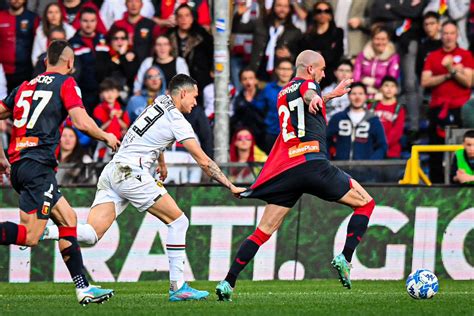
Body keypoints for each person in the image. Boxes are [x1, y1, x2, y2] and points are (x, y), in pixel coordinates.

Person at [43, 74, 246, 301]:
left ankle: (43, 231)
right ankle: (178, 287)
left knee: (90, 235)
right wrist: (230, 185)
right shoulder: (177, 120)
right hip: (131, 173)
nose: (196, 103)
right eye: (194, 97)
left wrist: (161, 162)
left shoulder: (159, 102)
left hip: (113, 170)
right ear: (183, 94)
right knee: (179, 221)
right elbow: (203, 161)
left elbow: (151, 134)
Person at [215, 51, 374, 301]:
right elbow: (308, 93)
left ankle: (228, 282)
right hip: (313, 164)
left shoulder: (282, 92)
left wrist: (329, 95)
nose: (324, 74)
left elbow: (304, 100)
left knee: (263, 231)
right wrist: (315, 96)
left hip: (288, 170)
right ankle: (345, 257)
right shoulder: (309, 85)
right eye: (321, 69)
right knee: (366, 203)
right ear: (310, 69)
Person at [0, 40, 119, 305]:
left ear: (45, 62)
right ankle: (83, 287)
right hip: (38, 166)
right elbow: (79, 121)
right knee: (30, 236)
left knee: (67, 219)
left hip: (22, 165)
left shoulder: (23, 87)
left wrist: (1, 155)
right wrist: (105, 136)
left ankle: (83, 287)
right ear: (70, 63)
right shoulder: (65, 83)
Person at [421, 21, 473, 183]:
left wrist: (450, 68)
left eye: (452, 33)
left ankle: (461, 181)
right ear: (441, 35)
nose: (448, 36)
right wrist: (448, 75)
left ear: (457, 35)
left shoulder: (466, 55)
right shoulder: (433, 56)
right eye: (445, 33)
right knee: (435, 150)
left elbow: (468, 82)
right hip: (437, 108)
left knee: (461, 150)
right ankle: (436, 185)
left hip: (460, 110)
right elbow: (425, 81)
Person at [327, 82, 387, 161]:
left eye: (361, 94)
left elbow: (382, 146)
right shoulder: (338, 118)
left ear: (366, 97)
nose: (357, 97)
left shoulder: (373, 120)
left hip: (364, 171)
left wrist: (371, 164)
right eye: (354, 94)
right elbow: (325, 141)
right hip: (340, 170)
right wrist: (328, 161)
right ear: (348, 96)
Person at [251, 58, 294, 154]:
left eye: (287, 69)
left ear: (292, 71)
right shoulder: (268, 88)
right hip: (271, 133)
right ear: (277, 70)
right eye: (282, 69)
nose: (284, 72)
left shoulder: (297, 89)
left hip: (292, 134)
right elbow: (258, 107)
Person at [299, 1, 343, 88]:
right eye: (319, 11)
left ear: (331, 14)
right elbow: (303, 56)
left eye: (326, 11)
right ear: (314, 15)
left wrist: (317, 55)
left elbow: (336, 54)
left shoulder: (337, 32)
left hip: (330, 75)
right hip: (310, 76)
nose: (323, 14)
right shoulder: (307, 36)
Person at [0, 0, 39, 93]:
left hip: (26, 71)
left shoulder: (33, 18)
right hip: (2, 72)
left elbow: (40, 43)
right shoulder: (1, 16)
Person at [353, 25, 400, 100]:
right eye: (377, 39)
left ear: (388, 40)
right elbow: (356, 77)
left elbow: (391, 81)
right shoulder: (362, 55)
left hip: (383, 96)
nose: (380, 42)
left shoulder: (393, 57)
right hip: (362, 95)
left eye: (383, 39)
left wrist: (373, 82)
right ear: (372, 39)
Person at [93, 78, 130, 162]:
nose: (109, 94)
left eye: (112, 91)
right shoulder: (98, 109)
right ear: (101, 94)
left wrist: (116, 118)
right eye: (106, 91)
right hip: (103, 143)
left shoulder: (122, 109)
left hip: (120, 144)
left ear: (117, 93)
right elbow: (97, 129)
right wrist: (111, 119)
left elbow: (126, 128)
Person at [110, 0, 158, 64]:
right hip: (121, 66)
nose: (134, 5)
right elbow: (109, 45)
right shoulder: (118, 25)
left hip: (144, 65)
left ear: (142, 5)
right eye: (130, 1)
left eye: (137, 1)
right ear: (125, 4)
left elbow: (156, 46)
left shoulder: (150, 24)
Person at [368, 76, 405, 159]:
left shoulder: (399, 109)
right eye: (386, 85)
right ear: (380, 88)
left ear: (396, 90)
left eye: (392, 86)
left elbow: (397, 131)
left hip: (391, 152)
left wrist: (382, 143)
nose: (389, 89)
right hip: (372, 150)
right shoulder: (372, 106)